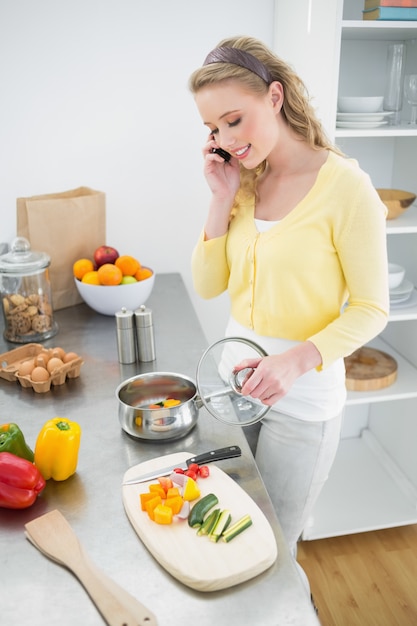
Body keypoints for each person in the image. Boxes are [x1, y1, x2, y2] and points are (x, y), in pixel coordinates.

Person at [189, 36, 389, 563]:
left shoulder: (346, 187)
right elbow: (210, 285)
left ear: (274, 97)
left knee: (271, 551)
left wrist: (293, 361)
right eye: (214, 129)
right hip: (231, 386)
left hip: (300, 402)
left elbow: (372, 308)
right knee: (222, 534)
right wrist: (221, 199)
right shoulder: (246, 182)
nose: (226, 139)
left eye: (234, 120)